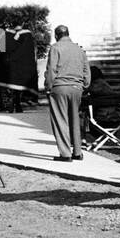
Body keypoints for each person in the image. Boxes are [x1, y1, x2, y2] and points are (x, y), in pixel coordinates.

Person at [44, 24, 91, 161]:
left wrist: (48, 86)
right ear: (68, 34)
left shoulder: (55, 47)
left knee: (61, 120)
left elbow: (51, 69)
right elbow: (86, 71)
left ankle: (65, 154)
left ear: (56, 35)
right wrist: (85, 85)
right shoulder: (79, 49)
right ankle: (77, 152)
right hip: (77, 87)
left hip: (60, 86)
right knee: (75, 119)